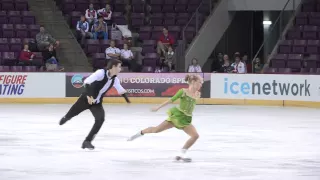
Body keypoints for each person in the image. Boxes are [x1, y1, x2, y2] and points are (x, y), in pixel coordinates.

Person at [127, 74, 203, 162]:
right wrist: (158, 107)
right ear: (193, 82)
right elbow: (171, 100)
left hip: (186, 119)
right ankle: (137, 134)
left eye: (201, 83)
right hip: (176, 117)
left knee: (195, 136)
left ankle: (182, 154)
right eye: (200, 82)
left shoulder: (197, 94)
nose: (201, 85)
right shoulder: (183, 91)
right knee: (156, 130)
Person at [59, 59, 130, 150]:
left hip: (97, 103)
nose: (121, 69)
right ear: (113, 67)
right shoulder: (101, 73)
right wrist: (89, 96)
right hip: (85, 99)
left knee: (100, 119)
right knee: (71, 114)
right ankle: (66, 118)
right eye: (119, 66)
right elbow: (87, 82)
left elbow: (121, 90)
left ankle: (87, 141)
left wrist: (128, 101)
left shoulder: (115, 79)